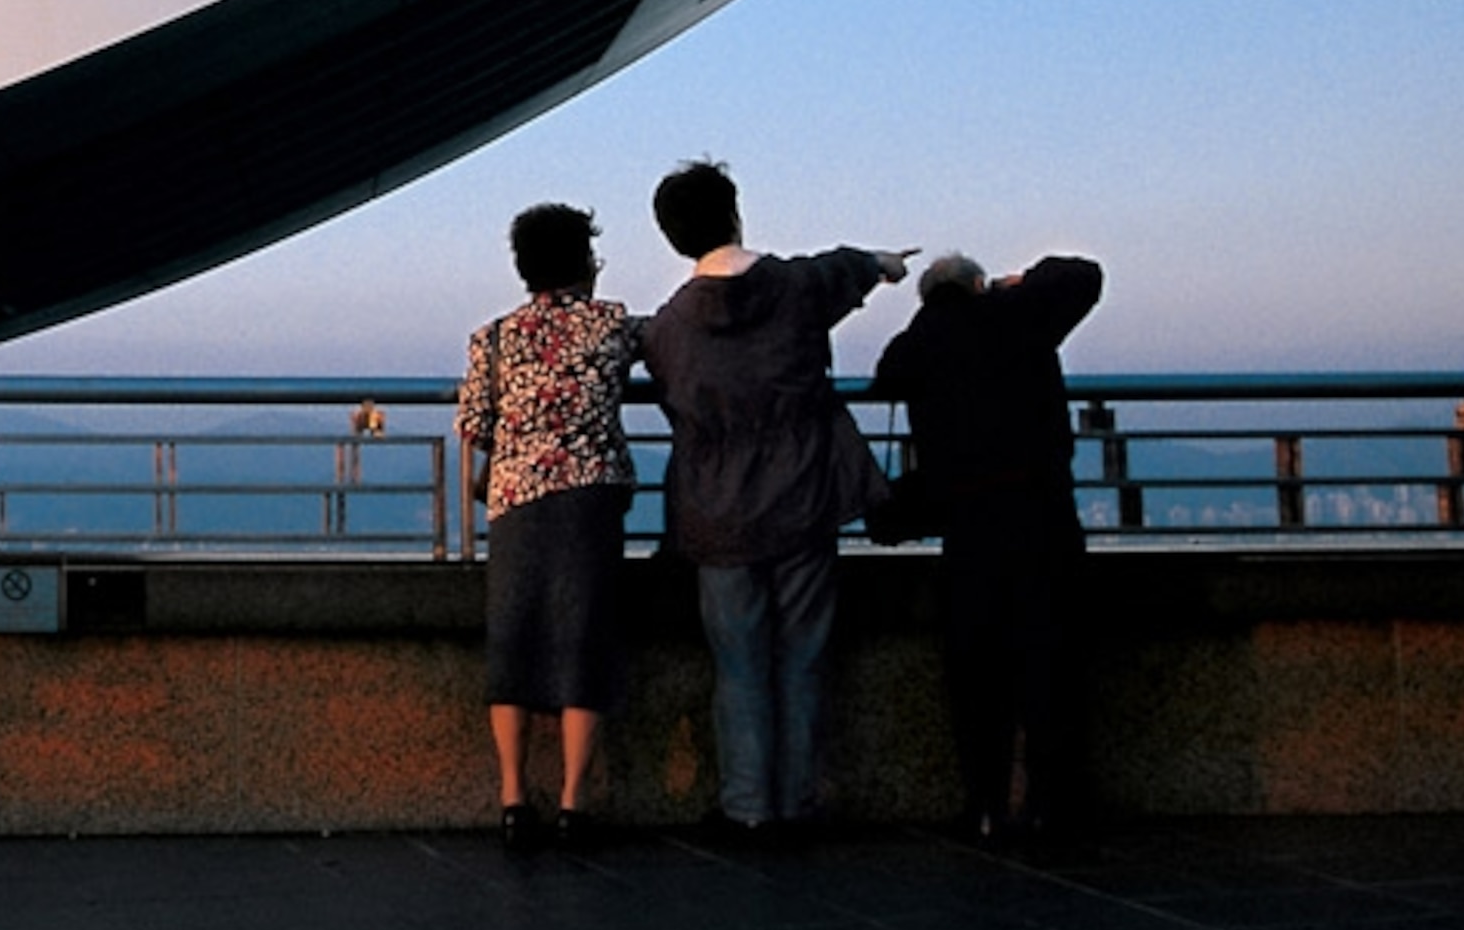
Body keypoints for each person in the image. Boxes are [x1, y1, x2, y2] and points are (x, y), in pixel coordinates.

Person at [640, 161, 908, 842]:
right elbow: (852, 267)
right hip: (803, 496)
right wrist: (885, 265)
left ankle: (748, 805)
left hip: (716, 511)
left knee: (738, 663)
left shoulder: (667, 328)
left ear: (672, 236)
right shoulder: (796, 286)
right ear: (734, 212)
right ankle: (798, 801)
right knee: (803, 655)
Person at [870, 252, 1105, 845]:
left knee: (977, 677)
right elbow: (1084, 275)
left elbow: (887, 376)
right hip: (1043, 520)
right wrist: (1016, 283)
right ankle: (1051, 808)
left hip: (969, 531)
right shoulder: (1020, 315)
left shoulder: (920, 341)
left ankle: (985, 806)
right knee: (1050, 668)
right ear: (978, 285)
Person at [459, 202, 644, 851]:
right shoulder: (611, 324)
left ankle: (514, 797)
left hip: (516, 501)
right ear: (585, 261)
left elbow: (475, 424)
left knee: (513, 638)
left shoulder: (493, 338)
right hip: (590, 500)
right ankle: (573, 803)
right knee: (584, 638)